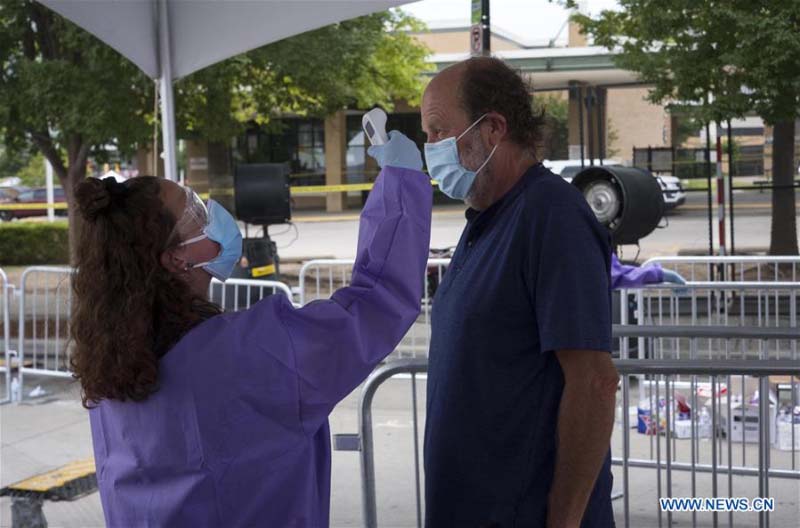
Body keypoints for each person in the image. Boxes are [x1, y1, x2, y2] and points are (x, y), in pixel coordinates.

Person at [69, 131, 430, 527]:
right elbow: (374, 304)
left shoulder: (108, 364)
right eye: (194, 211)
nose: (210, 213)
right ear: (175, 259)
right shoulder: (253, 352)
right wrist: (401, 188)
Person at [422, 57, 619, 527]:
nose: (429, 148)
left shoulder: (551, 215)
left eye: (437, 131)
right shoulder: (486, 220)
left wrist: (564, 520)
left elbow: (594, 382)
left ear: (492, 128)